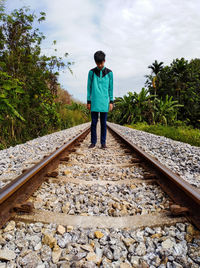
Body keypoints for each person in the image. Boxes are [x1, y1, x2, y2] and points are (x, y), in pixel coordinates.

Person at [87, 50, 114, 149]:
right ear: (95, 62)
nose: (99, 65)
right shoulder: (91, 72)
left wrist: (111, 101)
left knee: (103, 123)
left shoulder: (109, 73)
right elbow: (89, 88)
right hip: (94, 101)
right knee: (93, 123)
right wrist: (88, 101)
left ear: (104, 61)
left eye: (101, 63)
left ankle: (103, 143)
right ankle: (93, 142)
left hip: (104, 102)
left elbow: (111, 88)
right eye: (97, 63)